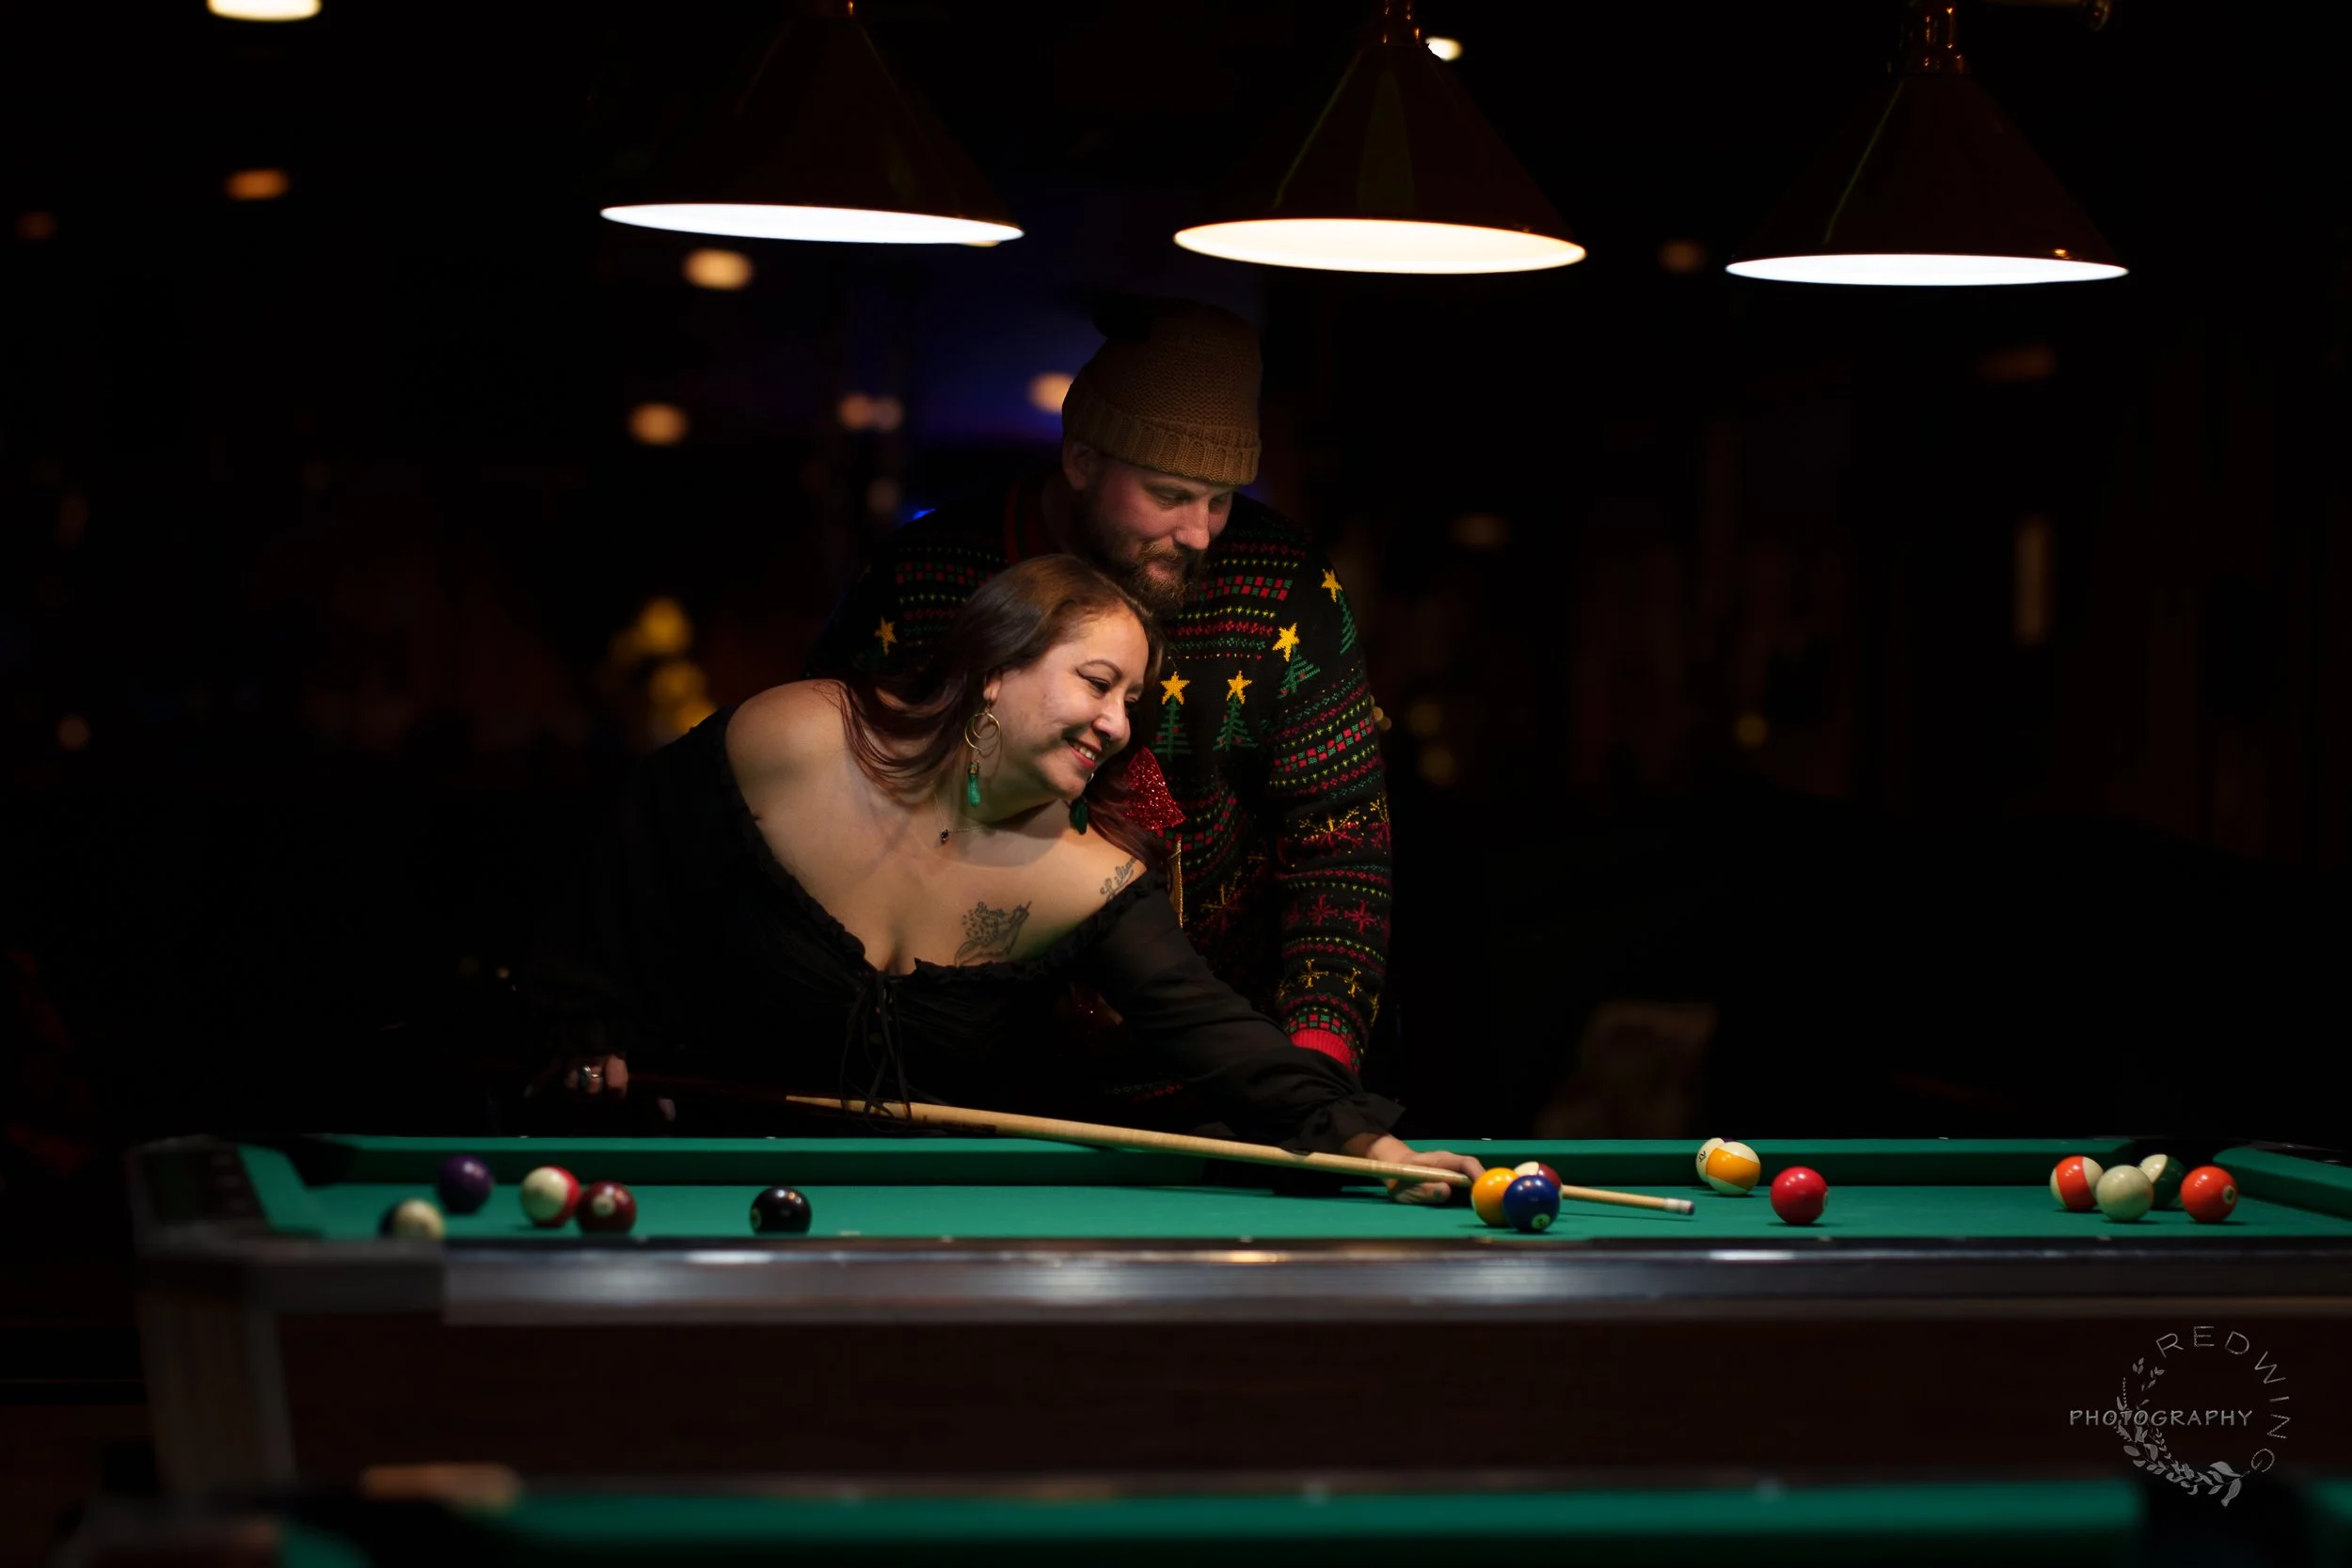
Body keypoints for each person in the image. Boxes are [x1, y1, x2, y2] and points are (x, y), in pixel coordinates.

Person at [522, 557, 1480, 1201]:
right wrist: (589, 1023)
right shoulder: (801, 737)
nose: (1117, 722)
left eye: (1132, 700)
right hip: (701, 1188)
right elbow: (626, 863)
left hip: (937, 1230)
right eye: (1097, 682)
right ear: (994, 668)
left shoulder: (1088, 879)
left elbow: (1218, 1032)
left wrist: (1366, 1143)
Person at [805, 297, 1393, 1128]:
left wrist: (1314, 1079)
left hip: (1222, 1085)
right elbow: (826, 813)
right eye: (1170, 493)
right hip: (952, 1081)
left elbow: (1342, 843)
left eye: (1221, 499)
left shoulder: (1283, 585)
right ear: (1081, 459)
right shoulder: (927, 574)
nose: (1200, 533)